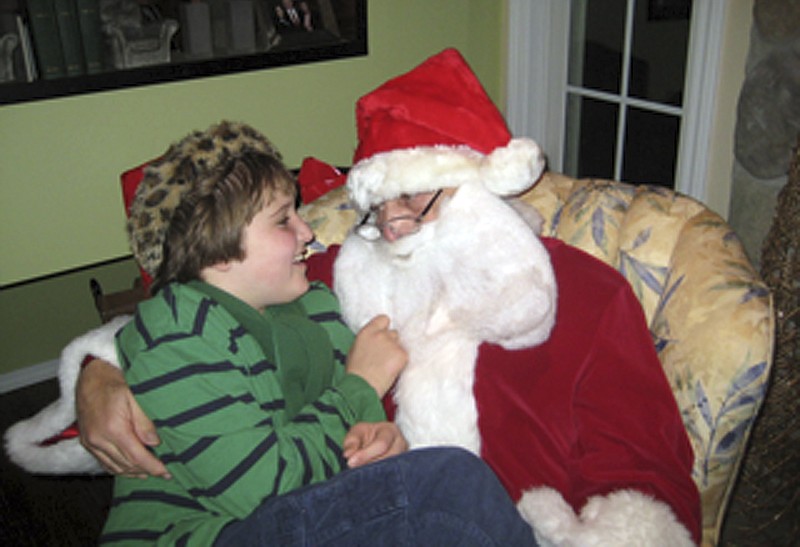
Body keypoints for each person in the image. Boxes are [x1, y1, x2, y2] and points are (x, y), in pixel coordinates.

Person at [7, 50, 701, 545]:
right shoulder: (354, 273)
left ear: (482, 187)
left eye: (418, 203)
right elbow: (205, 314)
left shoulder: (584, 294)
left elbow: (643, 476)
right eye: (380, 210)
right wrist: (101, 371)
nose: (395, 229)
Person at [13, 120, 537, 546]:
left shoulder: (318, 303)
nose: (309, 231)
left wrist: (378, 440)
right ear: (217, 249)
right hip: (202, 534)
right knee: (450, 484)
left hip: (296, 516)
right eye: (283, 220)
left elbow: (346, 438)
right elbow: (260, 489)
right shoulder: (181, 322)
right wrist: (359, 387)